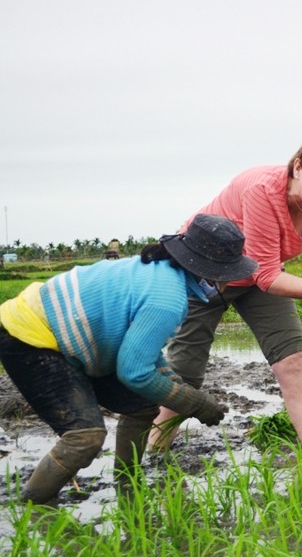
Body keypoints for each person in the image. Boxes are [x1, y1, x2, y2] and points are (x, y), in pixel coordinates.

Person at [0, 214, 258, 504]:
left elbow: (143, 353)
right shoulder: (167, 299)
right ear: (212, 272)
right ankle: (33, 509)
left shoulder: (161, 272)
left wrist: (176, 383)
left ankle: (128, 486)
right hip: (31, 335)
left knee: (142, 406)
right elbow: (134, 372)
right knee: (84, 437)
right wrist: (195, 403)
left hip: (67, 336)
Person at [149, 126, 302, 457]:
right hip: (203, 274)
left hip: (255, 275)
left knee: (294, 360)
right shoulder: (263, 190)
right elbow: (268, 275)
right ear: (297, 167)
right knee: (186, 374)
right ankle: (153, 455)